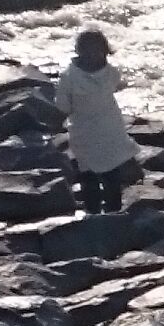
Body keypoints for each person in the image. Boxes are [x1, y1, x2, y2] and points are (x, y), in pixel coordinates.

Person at [60, 29, 139, 215]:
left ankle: (104, 213)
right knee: (98, 174)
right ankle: (102, 213)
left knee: (101, 175)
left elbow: (63, 106)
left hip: (98, 131)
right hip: (95, 131)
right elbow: (63, 106)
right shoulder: (104, 73)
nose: (94, 56)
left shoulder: (73, 76)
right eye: (91, 51)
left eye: (97, 51)